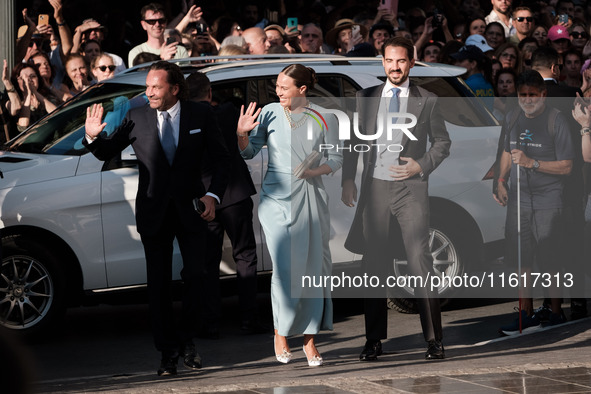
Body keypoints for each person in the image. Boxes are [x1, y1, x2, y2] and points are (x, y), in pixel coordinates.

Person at [83, 61, 230, 376]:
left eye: (155, 87)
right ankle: (167, 353)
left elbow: (222, 161)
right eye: (147, 87)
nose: (148, 92)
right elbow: (107, 149)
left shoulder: (200, 115)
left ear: (174, 89)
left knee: (196, 276)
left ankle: (187, 338)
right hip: (154, 212)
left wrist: (212, 196)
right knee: (159, 285)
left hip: (192, 211)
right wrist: (94, 137)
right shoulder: (137, 117)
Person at [341, 37, 451, 361]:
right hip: (375, 189)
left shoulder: (428, 100)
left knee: (419, 260)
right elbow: (353, 140)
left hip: (411, 189)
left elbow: (443, 142)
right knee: (373, 265)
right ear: (382, 62)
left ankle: (434, 340)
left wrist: (422, 163)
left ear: (411, 63)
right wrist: (348, 178)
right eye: (389, 61)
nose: (395, 67)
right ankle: (373, 340)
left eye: (401, 61)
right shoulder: (366, 97)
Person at [237, 64, 342, 366]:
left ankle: (309, 341)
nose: (278, 91)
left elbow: (336, 159)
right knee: (284, 269)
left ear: (302, 89)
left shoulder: (326, 117)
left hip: (310, 195)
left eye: (284, 86)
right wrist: (241, 134)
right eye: (277, 85)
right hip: (276, 198)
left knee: (312, 268)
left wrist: (313, 171)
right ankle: (280, 333)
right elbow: (248, 152)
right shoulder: (269, 112)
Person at [494, 70, 574, 335]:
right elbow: (508, 150)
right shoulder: (512, 117)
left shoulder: (556, 120)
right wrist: (501, 180)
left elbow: (566, 167)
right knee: (522, 260)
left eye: (532, 95)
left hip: (549, 199)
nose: (527, 100)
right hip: (519, 200)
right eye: (522, 95)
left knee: (550, 259)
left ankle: (555, 312)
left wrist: (533, 163)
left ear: (543, 94)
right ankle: (525, 314)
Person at [185, 72, 262, 338]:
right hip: (236, 193)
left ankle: (211, 321)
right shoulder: (228, 112)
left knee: (208, 261)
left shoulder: (185, 120)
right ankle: (248, 318)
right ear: (209, 93)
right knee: (245, 255)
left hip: (204, 198)